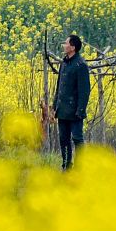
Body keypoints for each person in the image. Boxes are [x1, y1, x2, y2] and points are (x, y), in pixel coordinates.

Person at [42, 34, 91, 170]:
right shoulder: (64, 63)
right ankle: (66, 166)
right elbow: (59, 87)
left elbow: (84, 90)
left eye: (66, 43)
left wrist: (80, 110)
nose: (64, 45)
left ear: (73, 47)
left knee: (77, 139)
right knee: (63, 140)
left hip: (75, 111)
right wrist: (54, 105)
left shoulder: (81, 65)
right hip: (62, 110)